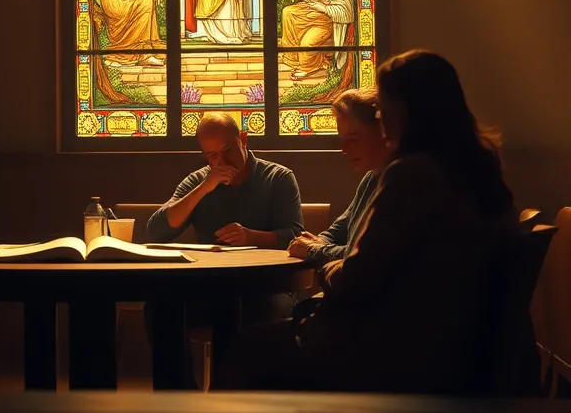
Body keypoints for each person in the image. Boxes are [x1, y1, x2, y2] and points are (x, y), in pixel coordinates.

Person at [222, 49, 518, 394]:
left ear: (407, 111)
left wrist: (326, 262)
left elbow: (357, 278)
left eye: (382, 108)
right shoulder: (477, 169)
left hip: (400, 349)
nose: (380, 117)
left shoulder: (414, 175)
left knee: (248, 347)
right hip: (446, 342)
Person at [146, 112, 303, 378]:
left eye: (227, 150)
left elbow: (295, 234)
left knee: (245, 312)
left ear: (243, 139)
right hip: (208, 285)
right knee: (160, 308)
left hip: (264, 287)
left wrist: (252, 237)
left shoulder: (278, 178)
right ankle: (177, 396)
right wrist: (205, 187)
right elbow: (156, 230)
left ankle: (233, 396)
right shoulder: (199, 181)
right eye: (211, 156)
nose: (221, 161)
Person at [287, 88, 389, 268]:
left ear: (383, 132)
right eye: (342, 139)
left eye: (353, 140)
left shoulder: (400, 183)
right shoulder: (370, 178)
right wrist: (317, 241)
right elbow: (340, 229)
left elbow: (359, 254)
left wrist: (313, 249)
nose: (344, 150)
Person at [281, 0, 354, 81]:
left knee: (307, 43)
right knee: (288, 11)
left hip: (327, 28)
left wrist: (324, 8)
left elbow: (345, 14)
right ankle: (293, 57)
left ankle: (308, 68)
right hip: (312, 23)